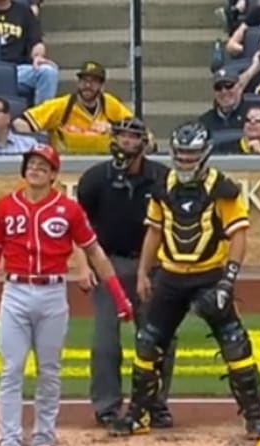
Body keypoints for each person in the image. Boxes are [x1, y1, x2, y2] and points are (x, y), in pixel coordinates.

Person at [0, 145, 136, 446]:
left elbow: (95, 253)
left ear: (53, 174)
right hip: (16, 290)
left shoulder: (68, 210)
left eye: (42, 166)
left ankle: (43, 440)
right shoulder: (4, 207)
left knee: (49, 371)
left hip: (52, 292)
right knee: (11, 369)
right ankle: (9, 444)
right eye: (31, 164)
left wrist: (119, 296)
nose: (35, 170)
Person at [108, 123, 260, 439]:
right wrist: (143, 273)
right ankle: (138, 414)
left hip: (209, 275)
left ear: (204, 153)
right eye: (180, 154)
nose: (184, 160)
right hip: (170, 276)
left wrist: (227, 281)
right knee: (148, 343)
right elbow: (154, 231)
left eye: (191, 154)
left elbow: (238, 236)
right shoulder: (162, 185)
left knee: (235, 345)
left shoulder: (222, 188)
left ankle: (254, 417)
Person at [75, 118, 178, 429]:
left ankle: (154, 402)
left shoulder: (163, 177)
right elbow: (79, 226)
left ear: (144, 143)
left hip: (155, 265)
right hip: (109, 263)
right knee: (105, 340)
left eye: (133, 137)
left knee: (160, 337)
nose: (126, 142)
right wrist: (83, 265)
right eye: (121, 135)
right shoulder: (94, 178)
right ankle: (106, 404)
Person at [15, 61, 135, 156]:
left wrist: (115, 130)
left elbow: (138, 131)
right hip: (65, 167)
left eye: (94, 82)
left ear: (102, 86)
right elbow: (19, 123)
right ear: (78, 83)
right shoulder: (62, 105)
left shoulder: (110, 104)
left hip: (104, 166)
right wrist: (40, 139)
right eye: (84, 81)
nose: (87, 86)